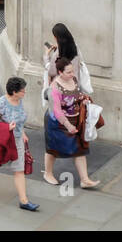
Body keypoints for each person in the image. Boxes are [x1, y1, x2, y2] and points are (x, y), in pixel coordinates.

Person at [0, 77, 39, 211]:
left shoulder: (19, 100)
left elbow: (19, 120)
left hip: (17, 140)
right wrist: (7, 128)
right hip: (3, 140)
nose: (24, 93)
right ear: (14, 92)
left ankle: (24, 201)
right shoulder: (2, 103)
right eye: (22, 91)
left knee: (19, 170)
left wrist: (22, 133)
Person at [43, 56, 100, 189]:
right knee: (53, 149)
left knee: (80, 150)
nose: (72, 74)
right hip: (57, 123)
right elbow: (56, 111)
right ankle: (48, 173)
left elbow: (78, 95)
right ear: (60, 72)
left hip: (74, 120)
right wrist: (68, 126)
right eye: (68, 72)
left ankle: (85, 180)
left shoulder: (73, 79)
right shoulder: (54, 88)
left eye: (72, 71)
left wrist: (83, 101)